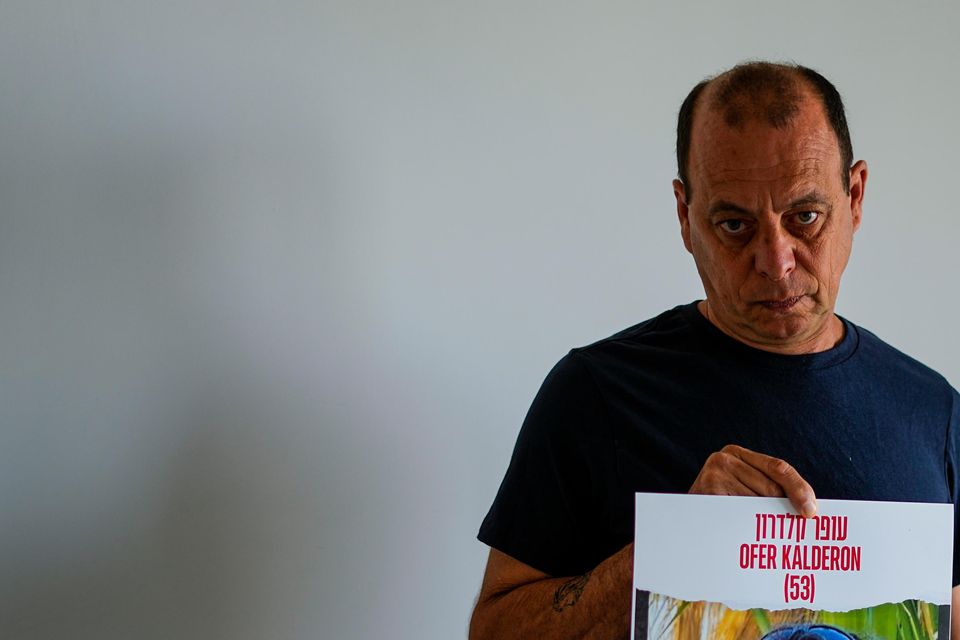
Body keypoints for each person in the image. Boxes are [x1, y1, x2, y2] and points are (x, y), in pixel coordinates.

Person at [469, 61, 960, 640]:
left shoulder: (934, 412)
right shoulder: (594, 393)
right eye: (734, 225)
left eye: (805, 217)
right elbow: (495, 630)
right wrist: (674, 549)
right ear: (685, 216)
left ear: (854, 197)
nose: (776, 263)